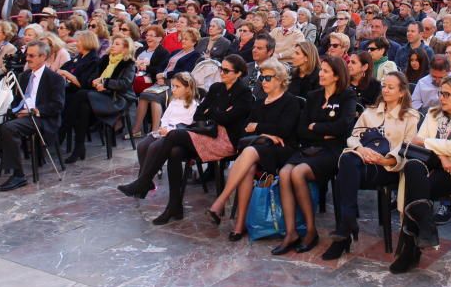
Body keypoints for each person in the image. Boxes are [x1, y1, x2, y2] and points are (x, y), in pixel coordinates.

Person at [137, 55, 254, 224]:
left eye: (226, 70)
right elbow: (200, 114)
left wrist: (214, 112)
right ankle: (174, 206)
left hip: (227, 141)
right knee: (175, 151)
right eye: (221, 68)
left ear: (239, 73)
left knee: (174, 135)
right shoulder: (216, 88)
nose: (221, 72)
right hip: (209, 133)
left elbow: (228, 120)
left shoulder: (244, 93)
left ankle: (144, 181)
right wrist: (220, 112)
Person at [389, 74, 451, 273]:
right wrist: (442, 156)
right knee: (413, 167)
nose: (441, 98)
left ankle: (411, 250)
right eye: (441, 93)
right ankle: (426, 227)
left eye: (447, 94)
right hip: (433, 166)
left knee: (414, 189)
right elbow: (418, 140)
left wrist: (438, 152)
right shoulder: (433, 113)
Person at [322, 70, 421, 261]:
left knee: (346, 170)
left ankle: (345, 229)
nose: (385, 90)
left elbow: (408, 147)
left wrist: (385, 160)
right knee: (349, 159)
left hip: (389, 167)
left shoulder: (410, 116)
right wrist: (360, 149)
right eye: (384, 86)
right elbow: (353, 137)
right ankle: (347, 224)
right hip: (364, 163)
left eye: (391, 87)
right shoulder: (370, 112)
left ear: (402, 92)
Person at [205, 59, 300, 240]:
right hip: (261, 148)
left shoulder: (290, 101)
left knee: (248, 153)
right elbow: (244, 129)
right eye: (261, 78)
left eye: (267, 78)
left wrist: (259, 129)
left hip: (283, 150)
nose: (263, 81)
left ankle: (221, 201)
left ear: (280, 80)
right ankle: (240, 225)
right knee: (247, 167)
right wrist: (266, 134)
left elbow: (284, 130)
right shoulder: (260, 103)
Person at [272, 56, 357, 256]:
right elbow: (301, 129)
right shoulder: (313, 96)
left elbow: (344, 128)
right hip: (310, 147)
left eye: (326, 71)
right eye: (321, 70)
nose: (321, 74)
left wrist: (316, 126)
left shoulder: (347, 96)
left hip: (333, 150)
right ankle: (291, 232)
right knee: (284, 173)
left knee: (298, 173)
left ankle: (311, 231)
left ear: (337, 76)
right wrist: (323, 130)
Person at [0, 40, 66, 192]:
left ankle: (18, 175)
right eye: (27, 55)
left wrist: (33, 110)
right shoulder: (24, 76)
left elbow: (57, 105)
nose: (28, 58)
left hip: (40, 117)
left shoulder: (54, 78)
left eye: (32, 56)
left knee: (9, 128)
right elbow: (17, 100)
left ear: (43, 57)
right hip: (20, 113)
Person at [116, 73, 199, 200]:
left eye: (177, 87)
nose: (173, 90)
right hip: (165, 131)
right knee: (142, 146)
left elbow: (186, 125)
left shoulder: (192, 105)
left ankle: (142, 183)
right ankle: (145, 182)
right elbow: (165, 117)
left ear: (188, 88)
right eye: (172, 86)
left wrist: (169, 130)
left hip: (176, 135)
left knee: (153, 147)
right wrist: (163, 127)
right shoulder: (174, 101)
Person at [65, 34, 136, 163]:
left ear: (125, 49)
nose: (113, 46)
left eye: (117, 44)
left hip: (116, 98)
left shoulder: (128, 64)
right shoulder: (105, 59)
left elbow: (125, 84)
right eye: (113, 43)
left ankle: (66, 127)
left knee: (80, 95)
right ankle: (79, 146)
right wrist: (95, 82)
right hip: (99, 95)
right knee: (83, 107)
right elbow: (93, 77)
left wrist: (105, 83)